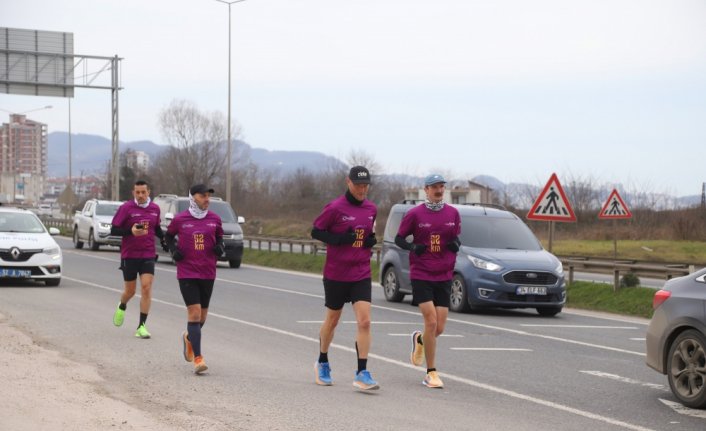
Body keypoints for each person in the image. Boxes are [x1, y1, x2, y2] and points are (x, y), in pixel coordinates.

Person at [311, 166, 379, 391]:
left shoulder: (371, 209)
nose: (362, 189)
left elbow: (369, 233)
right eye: (358, 185)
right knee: (332, 320)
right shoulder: (335, 208)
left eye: (366, 185)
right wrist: (340, 239)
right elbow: (316, 231)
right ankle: (322, 361)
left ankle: (362, 372)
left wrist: (370, 241)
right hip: (336, 273)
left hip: (361, 272)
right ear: (348, 182)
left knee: (365, 321)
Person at [395, 174, 461, 389]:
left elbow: (456, 236)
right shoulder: (415, 214)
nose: (439, 190)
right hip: (422, 272)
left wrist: (455, 244)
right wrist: (414, 247)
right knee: (431, 322)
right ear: (426, 190)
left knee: (439, 328)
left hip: (444, 274)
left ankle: (420, 340)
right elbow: (399, 239)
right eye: (434, 187)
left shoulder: (453, 213)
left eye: (442, 186)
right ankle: (431, 373)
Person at [165, 184, 225, 374]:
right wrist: (174, 250)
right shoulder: (180, 219)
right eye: (203, 196)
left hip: (208, 272)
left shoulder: (215, 219)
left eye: (208, 196)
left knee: (202, 317)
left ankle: (189, 338)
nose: (207, 199)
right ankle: (198, 359)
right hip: (187, 272)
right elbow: (167, 237)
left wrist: (220, 248)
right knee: (195, 313)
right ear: (193, 198)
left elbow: (220, 238)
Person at [111, 180, 166, 339]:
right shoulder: (126, 208)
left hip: (148, 254)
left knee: (147, 288)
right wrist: (130, 231)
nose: (141, 195)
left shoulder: (155, 209)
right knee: (130, 291)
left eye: (143, 192)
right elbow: (114, 229)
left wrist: (163, 240)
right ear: (133, 193)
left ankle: (141, 326)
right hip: (129, 255)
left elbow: (156, 227)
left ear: (149, 192)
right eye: (138, 192)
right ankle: (122, 306)